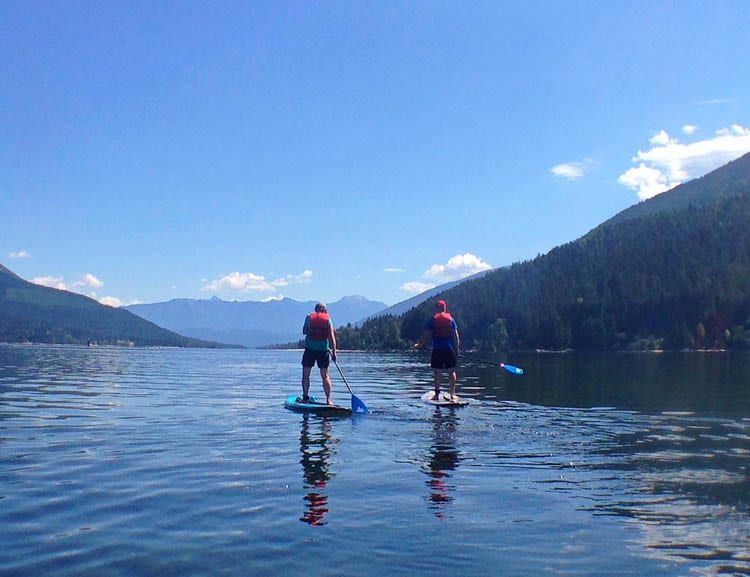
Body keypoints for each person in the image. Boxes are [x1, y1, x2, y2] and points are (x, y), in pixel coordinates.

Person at [414, 299, 461, 400]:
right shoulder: (451, 319)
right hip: (449, 349)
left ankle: (436, 395)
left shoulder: (433, 320)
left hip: (437, 349)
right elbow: (456, 336)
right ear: (444, 308)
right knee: (451, 371)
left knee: (437, 372)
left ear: (436, 308)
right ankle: (452, 393)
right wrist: (457, 349)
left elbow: (426, 335)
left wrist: (419, 345)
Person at [301, 302, 338, 405]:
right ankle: (328, 400)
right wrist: (334, 352)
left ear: (315, 310)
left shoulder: (309, 317)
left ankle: (305, 397)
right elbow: (332, 337)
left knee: (306, 375)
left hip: (310, 349)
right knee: (325, 376)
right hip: (323, 350)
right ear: (325, 310)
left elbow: (304, 331)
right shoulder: (328, 320)